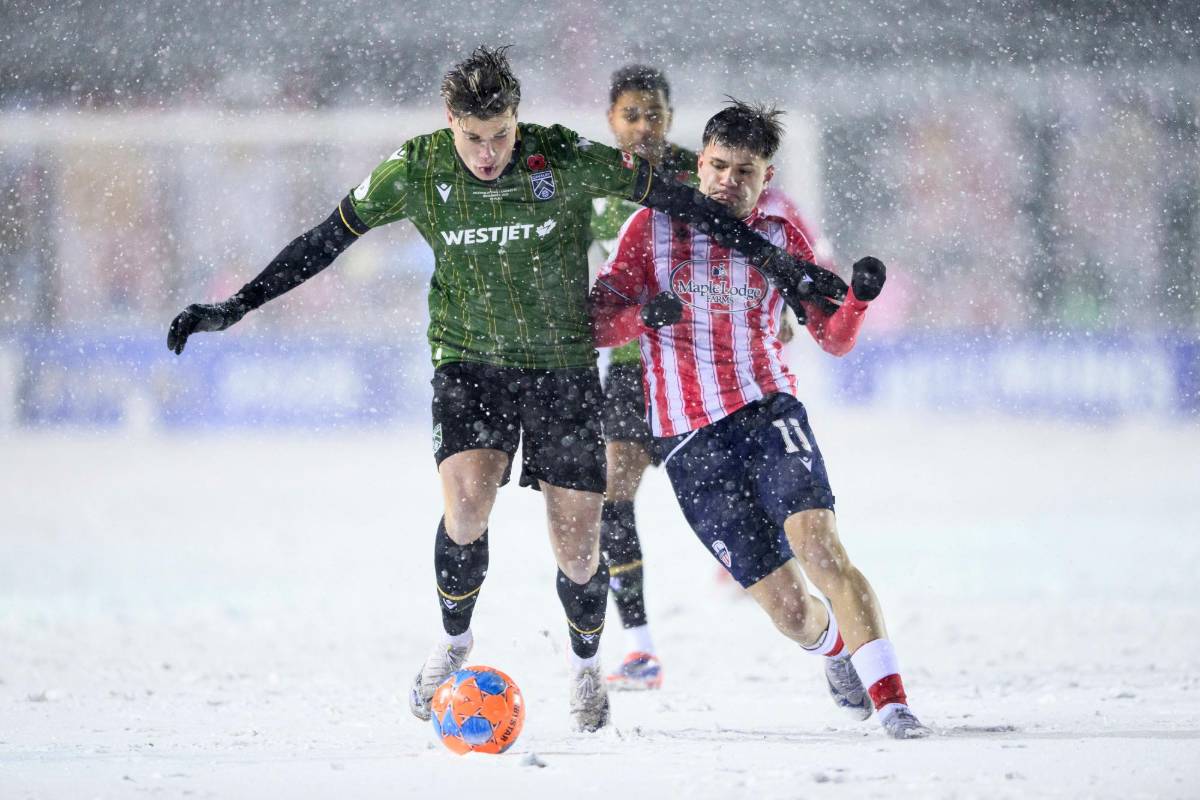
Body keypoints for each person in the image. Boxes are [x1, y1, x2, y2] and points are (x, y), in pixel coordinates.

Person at [165, 49, 845, 733]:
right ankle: (455, 640)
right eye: (474, 138)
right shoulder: (415, 168)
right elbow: (325, 240)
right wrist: (239, 304)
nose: (488, 154)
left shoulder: (564, 157)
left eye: (501, 136)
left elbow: (679, 199)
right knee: (466, 506)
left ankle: (585, 664)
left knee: (578, 547)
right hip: (470, 362)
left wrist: (779, 263)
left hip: (563, 366)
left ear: (518, 120)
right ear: (449, 121)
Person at [589, 99, 930, 739]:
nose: (728, 181)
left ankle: (893, 704)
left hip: (768, 408)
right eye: (718, 166)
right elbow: (596, 323)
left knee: (821, 548)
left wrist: (856, 300)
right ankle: (833, 653)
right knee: (791, 609)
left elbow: (830, 337)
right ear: (700, 163)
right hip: (688, 439)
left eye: (745, 171)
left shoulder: (780, 236)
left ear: (765, 178)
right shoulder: (649, 230)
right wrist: (642, 317)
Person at [589, 65, 698, 691]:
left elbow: (745, 238)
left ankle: (820, 630)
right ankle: (640, 648)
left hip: (700, 360)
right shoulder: (595, 182)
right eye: (631, 114)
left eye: (654, 113)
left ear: (670, 119)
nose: (644, 126)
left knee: (725, 492)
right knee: (613, 495)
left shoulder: (700, 175)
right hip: (633, 364)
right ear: (612, 119)